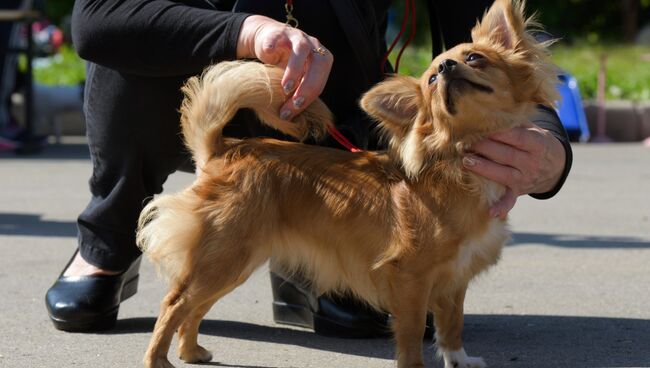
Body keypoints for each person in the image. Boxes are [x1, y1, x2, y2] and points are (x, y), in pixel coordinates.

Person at [45, 0, 572, 336]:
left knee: (359, 312)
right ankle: (110, 237)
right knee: (130, 55)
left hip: (331, 144)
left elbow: (495, 51)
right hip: (166, 101)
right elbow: (96, 18)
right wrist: (244, 33)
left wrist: (545, 145)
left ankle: (308, 266)